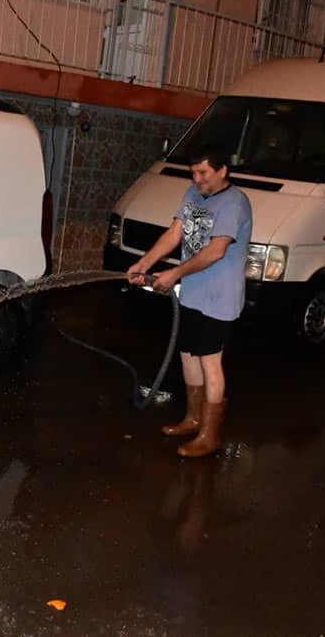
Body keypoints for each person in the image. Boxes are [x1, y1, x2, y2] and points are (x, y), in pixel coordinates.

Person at [127, 147, 252, 458]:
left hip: (219, 297)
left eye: (203, 173)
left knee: (211, 362)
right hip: (194, 292)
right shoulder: (192, 194)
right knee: (187, 356)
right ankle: (193, 418)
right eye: (193, 173)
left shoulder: (234, 203)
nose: (197, 180)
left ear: (223, 170)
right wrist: (144, 263)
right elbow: (174, 233)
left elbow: (216, 251)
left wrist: (175, 273)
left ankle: (210, 436)